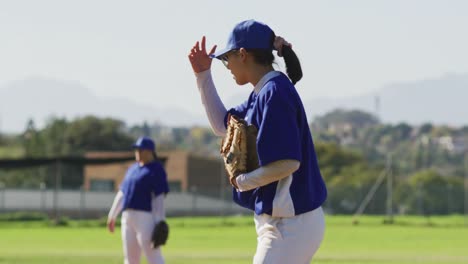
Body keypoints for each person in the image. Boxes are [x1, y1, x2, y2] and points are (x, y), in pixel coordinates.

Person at [188, 19, 327, 263]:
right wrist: (202, 75)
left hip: (293, 222)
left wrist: (243, 182)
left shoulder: (275, 92)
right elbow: (222, 125)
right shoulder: (262, 92)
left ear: (243, 54)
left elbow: (289, 162)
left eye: (226, 58)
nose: (226, 65)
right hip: (281, 219)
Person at [107, 136, 169, 264]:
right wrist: (112, 215)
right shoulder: (132, 169)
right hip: (127, 217)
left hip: (145, 217)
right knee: (130, 258)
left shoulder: (156, 169)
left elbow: (159, 197)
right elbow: (122, 193)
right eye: (137, 150)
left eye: (141, 150)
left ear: (150, 151)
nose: (138, 152)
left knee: (153, 256)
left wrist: (160, 221)